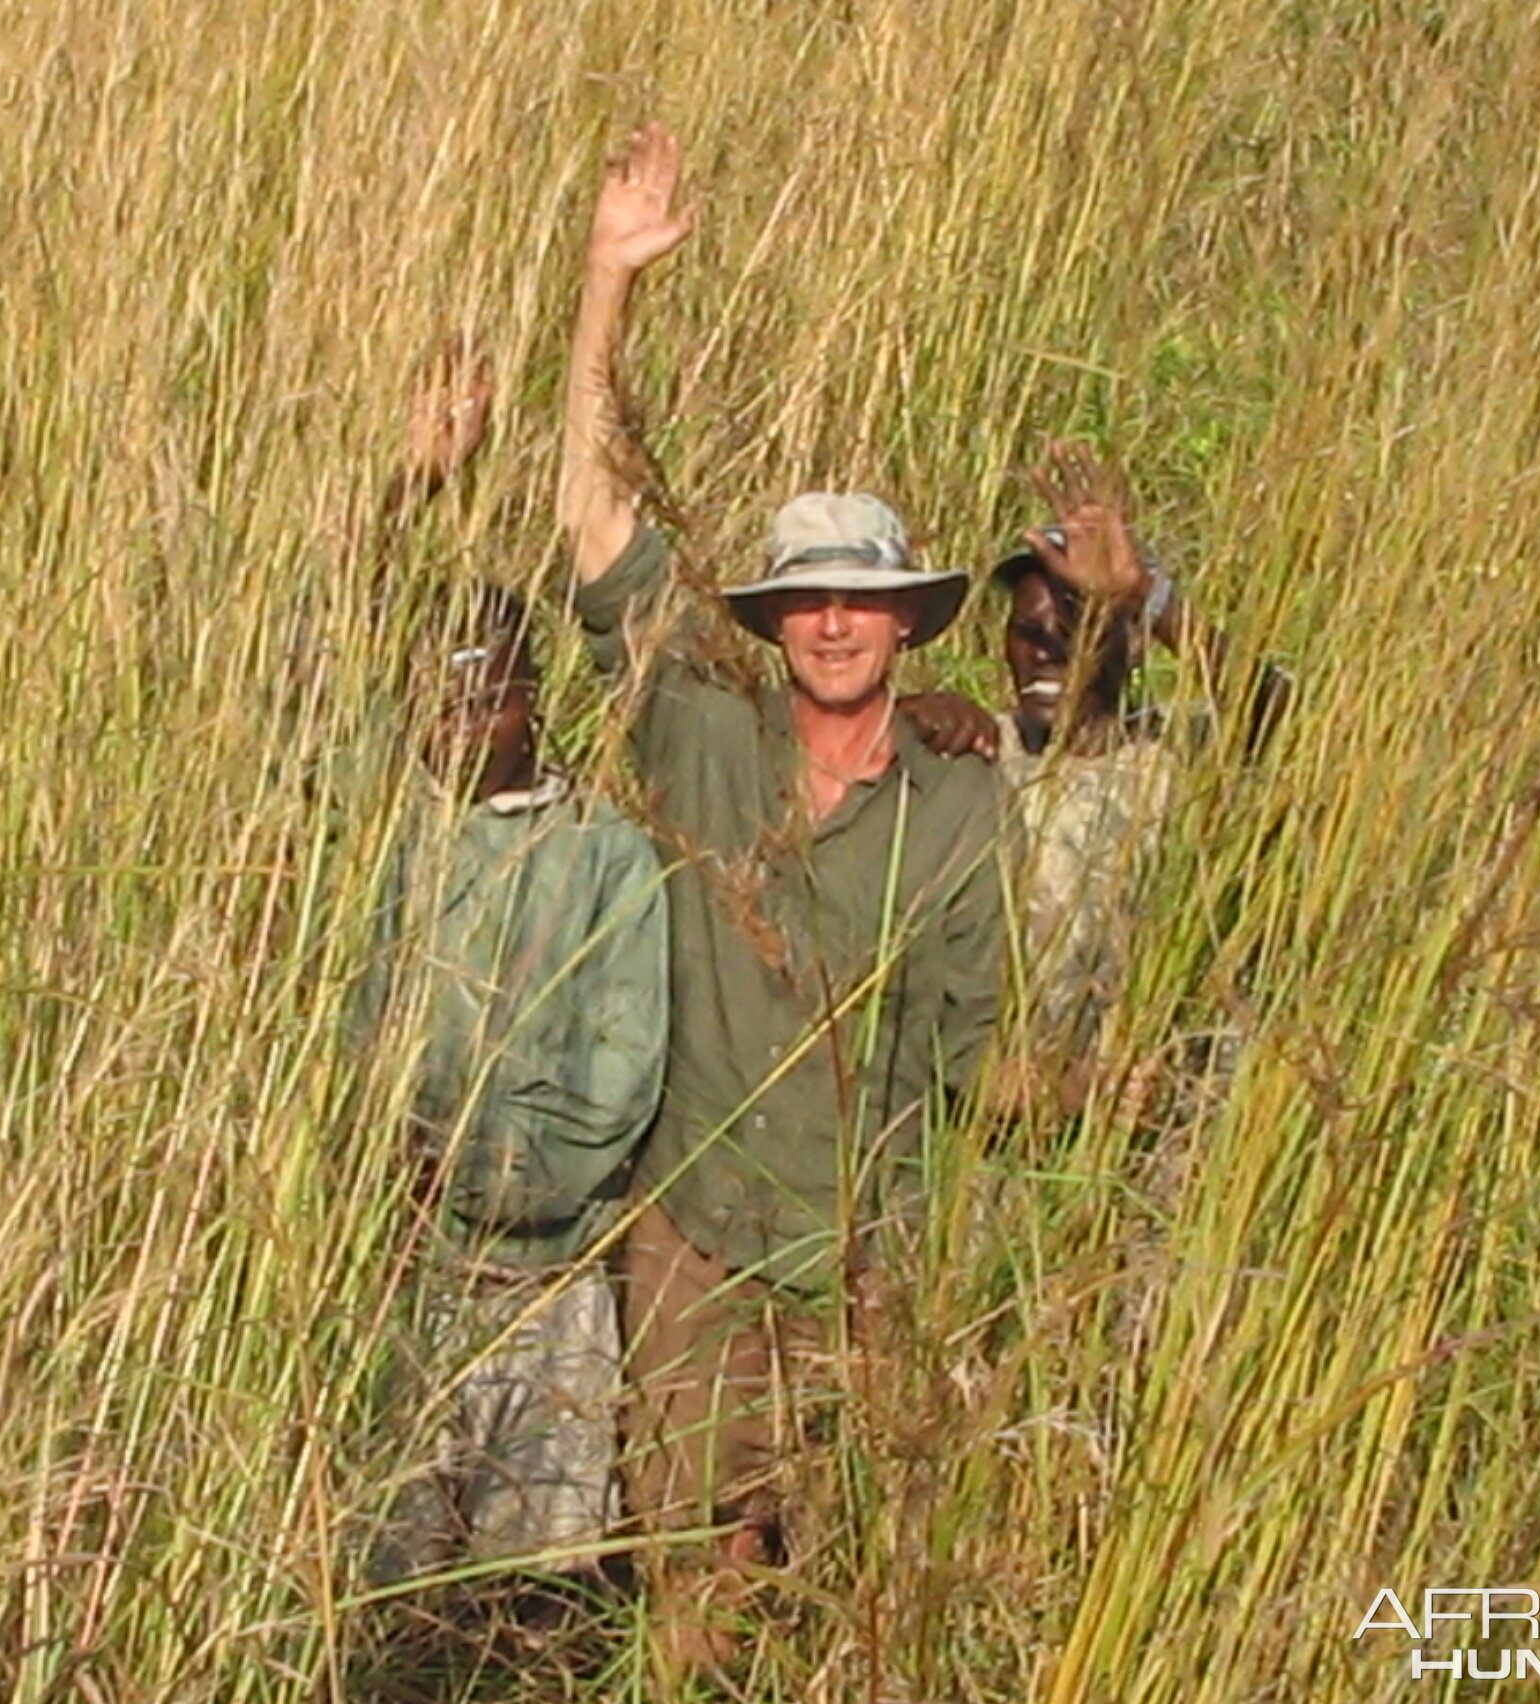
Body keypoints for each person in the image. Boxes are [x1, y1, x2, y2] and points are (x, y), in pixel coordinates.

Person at [556, 123, 1006, 1676]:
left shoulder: (962, 791)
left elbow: (969, 1055)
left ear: (904, 622)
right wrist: (605, 286)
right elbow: (597, 524)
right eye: (806, 596)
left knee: (850, 1592)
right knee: (687, 1586)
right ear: (773, 615)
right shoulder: (704, 720)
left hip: (861, 1248)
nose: (830, 622)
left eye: (860, 600)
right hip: (689, 1229)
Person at [362, 368, 670, 1598]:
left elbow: (619, 1077)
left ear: (532, 696)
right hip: (399, 1276)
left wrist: (487, 1173)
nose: (462, 711)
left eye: (489, 681)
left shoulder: (605, 856)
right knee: (389, 1571)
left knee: (529, 1582)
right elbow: (300, 631)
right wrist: (412, 477)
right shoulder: (389, 844)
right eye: (440, 685)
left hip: (546, 1280)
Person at [988, 443, 1289, 1114]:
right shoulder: (979, 752)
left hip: (1160, 1118)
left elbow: (1288, 716)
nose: (1047, 648)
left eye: (1076, 624)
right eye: (1027, 630)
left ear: (1132, 644)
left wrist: (1150, 600)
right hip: (1005, 1119)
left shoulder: (1179, 749)